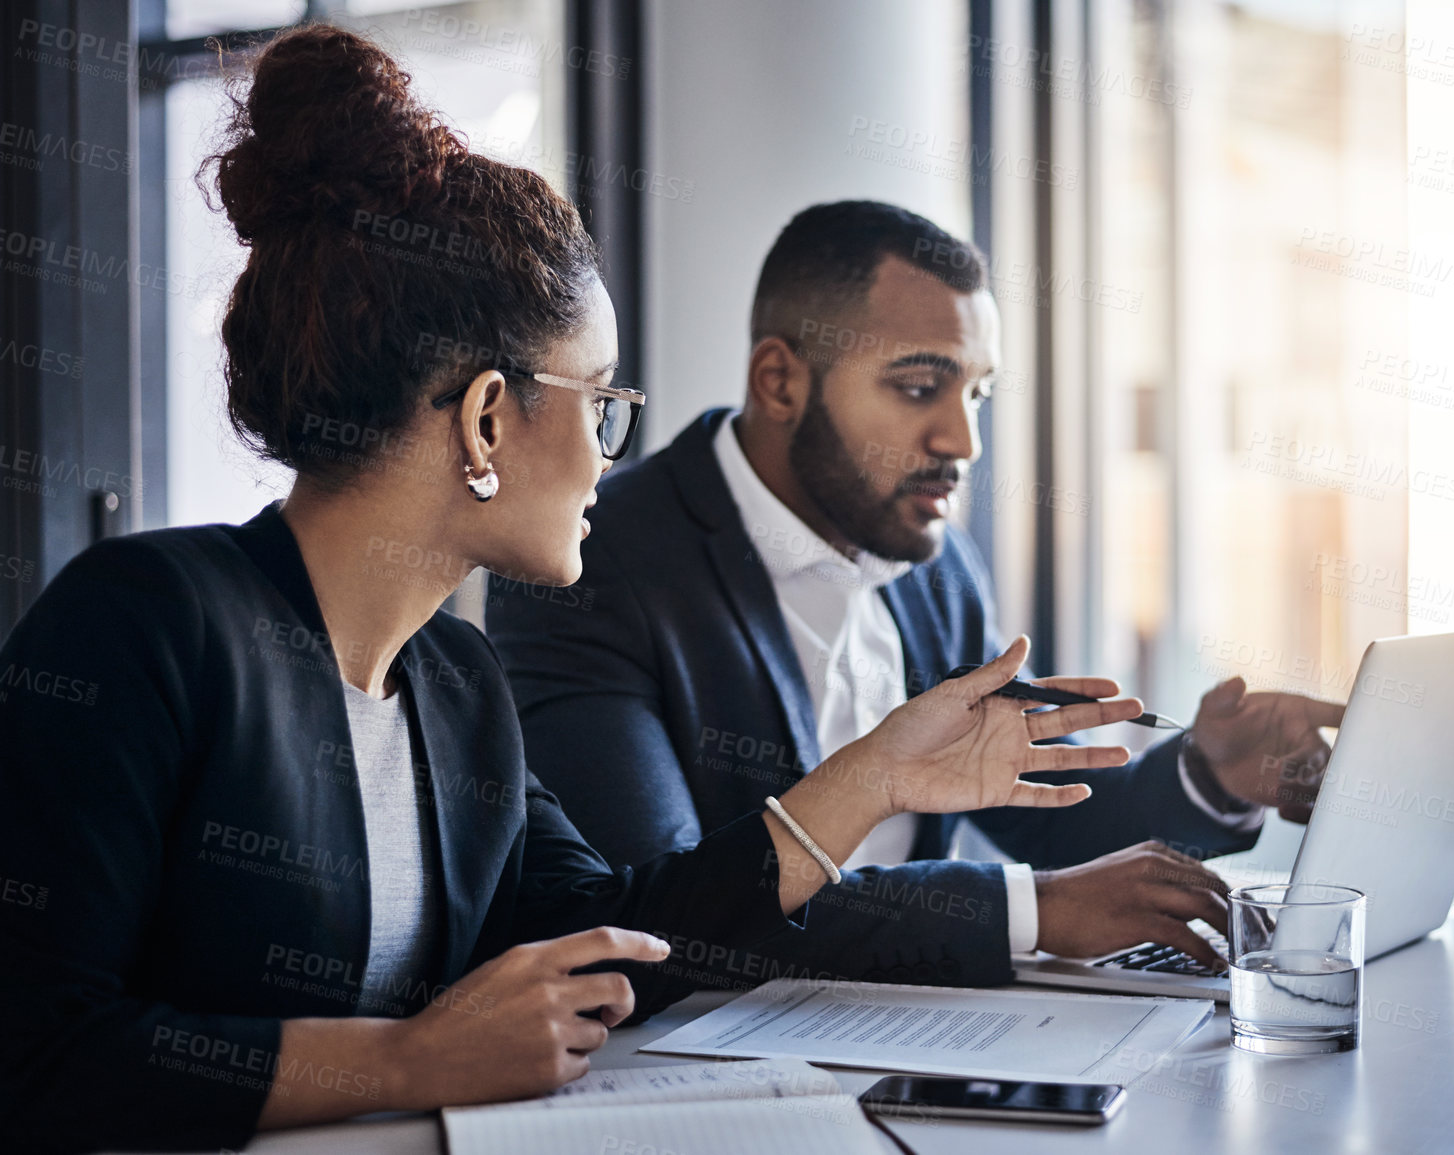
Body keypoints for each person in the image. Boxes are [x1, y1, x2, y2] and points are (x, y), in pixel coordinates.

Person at [0, 33, 1145, 1153]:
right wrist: (403, 1063)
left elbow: (625, 941)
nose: (609, 456)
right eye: (600, 402)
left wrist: (879, 774)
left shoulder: (453, 688)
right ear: (489, 418)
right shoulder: (145, 622)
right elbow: (35, 1054)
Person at [488, 200, 1347, 987]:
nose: (962, 438)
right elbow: (658, 914)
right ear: (780, 382)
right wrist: (1030, 910)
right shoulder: (599, 562)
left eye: (975, 392)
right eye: (917, 386)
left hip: (920, 1028)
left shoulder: (935, 563)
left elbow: (1040, 813)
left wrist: (1209, 774)